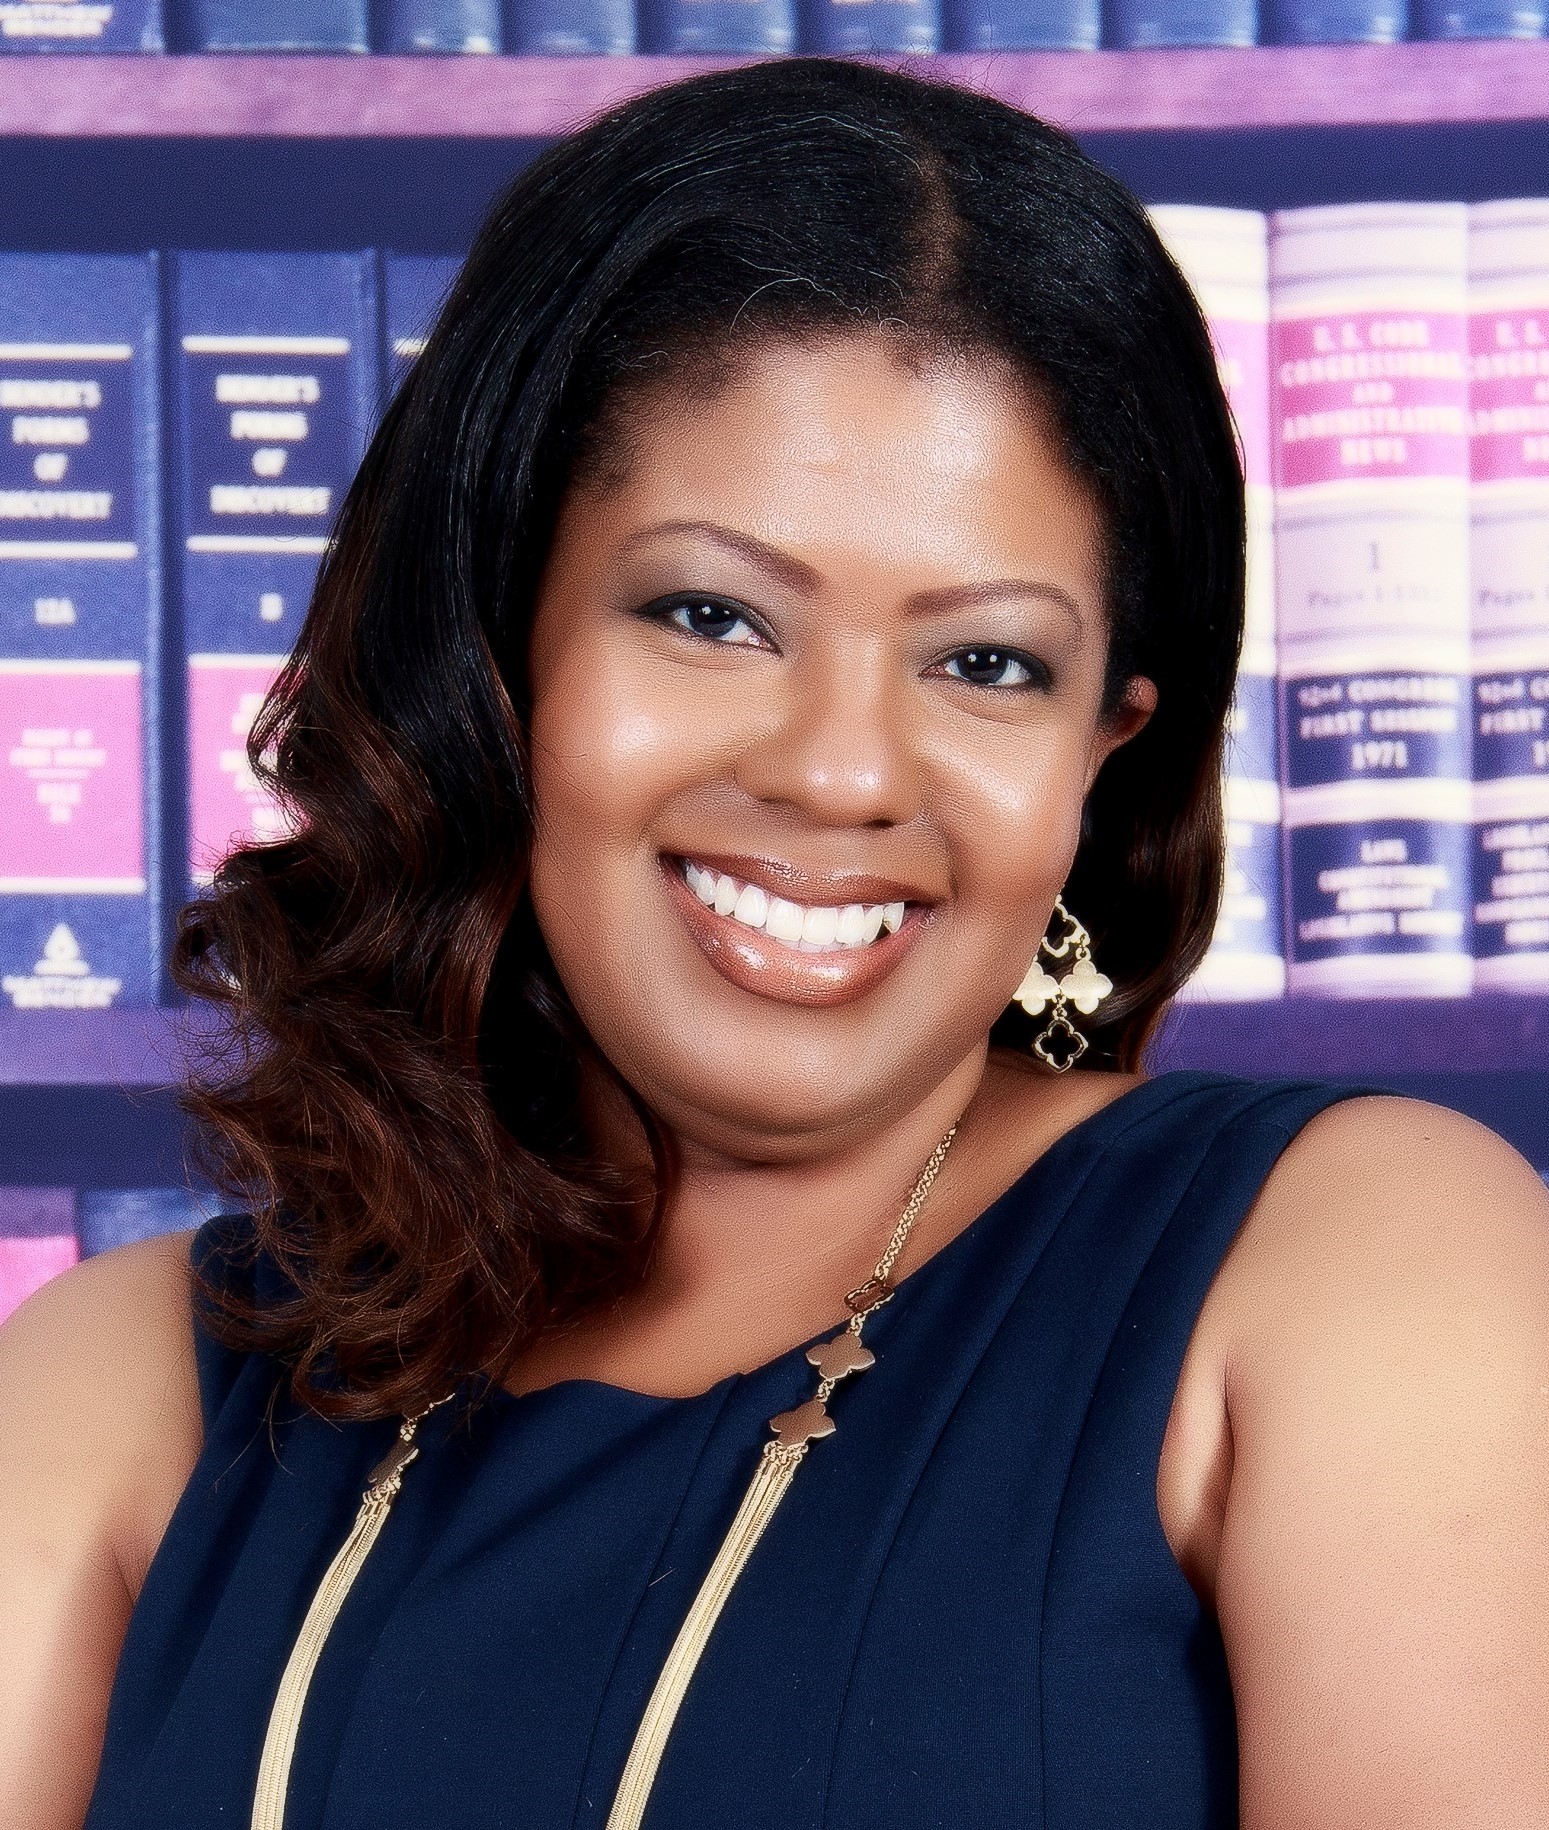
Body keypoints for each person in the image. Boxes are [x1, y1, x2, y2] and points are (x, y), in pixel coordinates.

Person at [2, 56, 1546, 1830]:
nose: (837, 769)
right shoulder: (117, 1394)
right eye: (711, 613)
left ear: (1099, 751)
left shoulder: (1354, 1269)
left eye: (984, 663)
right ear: (495, 661)